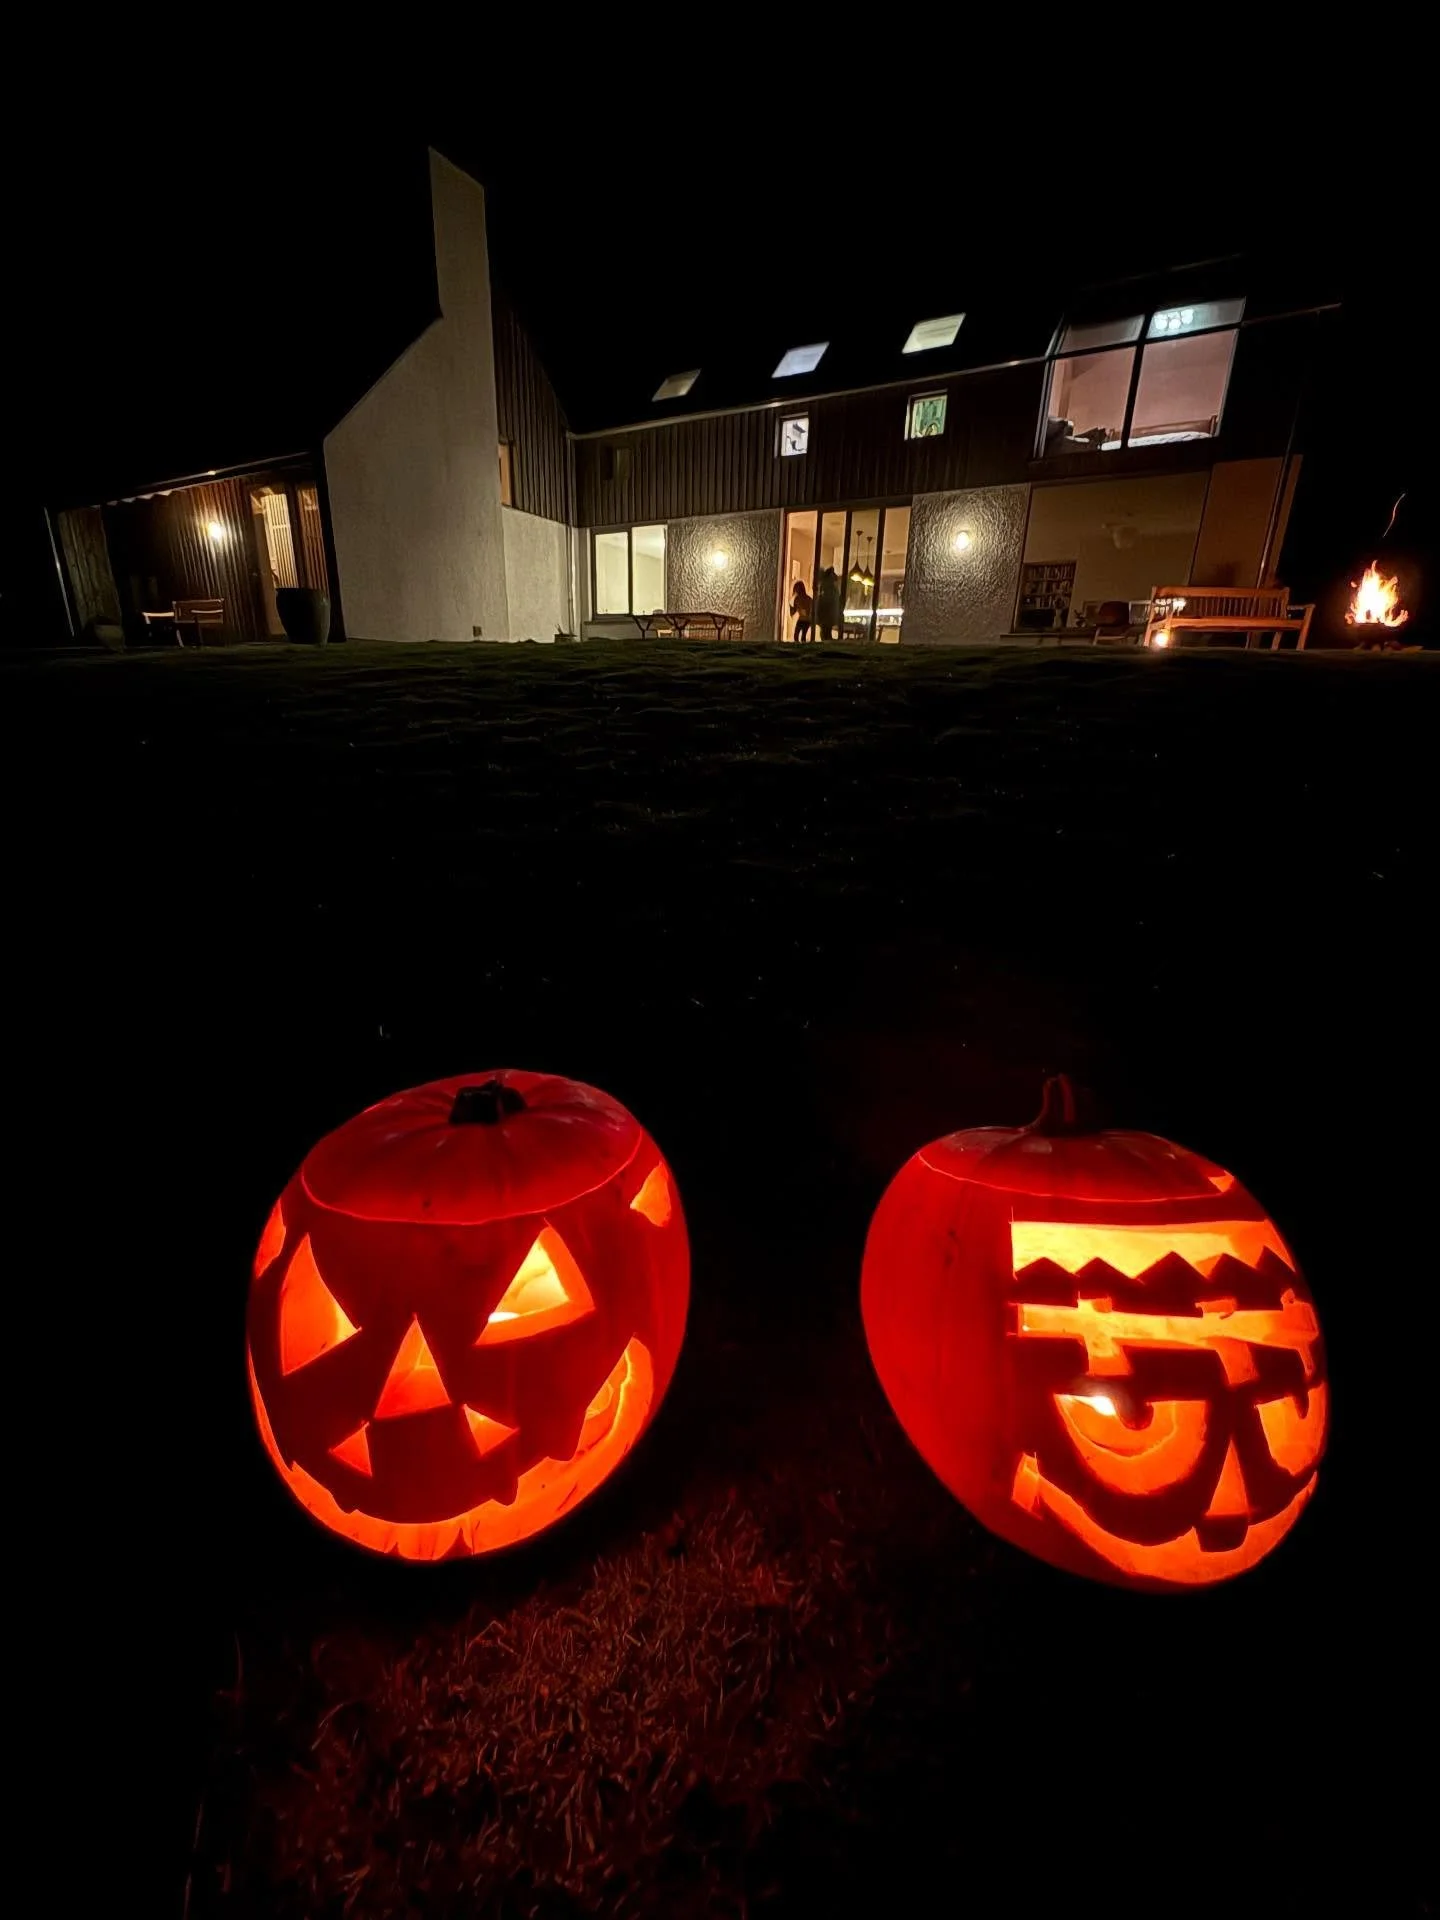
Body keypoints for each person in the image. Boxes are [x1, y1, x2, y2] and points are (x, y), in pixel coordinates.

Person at [815, 565, 841, 644]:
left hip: (826, 616)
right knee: (825, 633)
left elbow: (825, 603)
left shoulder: (827, 588)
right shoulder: (831, 588)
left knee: (825, 634)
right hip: (828, 616)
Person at [789, 577, 813, 645]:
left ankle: (800, 649)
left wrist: (792, 608)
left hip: (805, 620)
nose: (796, 590)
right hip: (804, 620)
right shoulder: (806, 599)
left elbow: (808, 611)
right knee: (798, 636)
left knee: (800, 637)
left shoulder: (805, 599)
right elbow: (794, 611)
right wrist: (791, 607)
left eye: (796, 589)